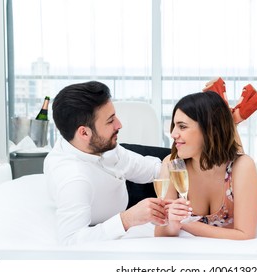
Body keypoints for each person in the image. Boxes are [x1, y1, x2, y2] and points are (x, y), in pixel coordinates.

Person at [44, 81, 166, 245]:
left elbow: (153, 170)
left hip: (120, 172)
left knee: (183, 162)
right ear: (84, 132)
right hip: (121, 201)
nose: (119, 124)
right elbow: (70, 241)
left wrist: (170, 170)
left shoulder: (99, 145)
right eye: (110, 121)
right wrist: (127, 219)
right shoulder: (74, 179)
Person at [154, 90, 257, 240]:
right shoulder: (172, 164)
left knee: (236, 158)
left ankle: (231, 122)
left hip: (234, 174)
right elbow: (161, 230)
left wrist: (185, 224)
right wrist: (172, 223)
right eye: (174, 126)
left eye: (182, 126)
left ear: (208, 128)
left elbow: (245, 234)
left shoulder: (243, 167)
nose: (173, 134)